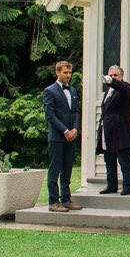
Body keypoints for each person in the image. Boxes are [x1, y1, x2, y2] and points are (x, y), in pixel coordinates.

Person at [42, 60, 81, 212]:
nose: (68, 75)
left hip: (71, 135)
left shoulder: (72, 91)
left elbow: (76, 111)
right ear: (58, 73)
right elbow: (50, 115)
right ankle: (53, 201)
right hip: (57, 137)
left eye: (70, 73)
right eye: (65, 72)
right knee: (55, 169)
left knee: (67, 168)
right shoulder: (49, 91)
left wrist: (75, 129)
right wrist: (65, 131)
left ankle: (66, 199)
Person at [96, 65, 130, 195]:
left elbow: (121, 87)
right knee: (109, 159)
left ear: (121, 77)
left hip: (121, 131)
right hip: (107, 131)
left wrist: (112, 81)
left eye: (115, 76)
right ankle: (111, 185)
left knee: (124, 160)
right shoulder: (108, 92)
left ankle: (127, 186)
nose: (112, 78)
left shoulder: (125, 87)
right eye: (110, 75)